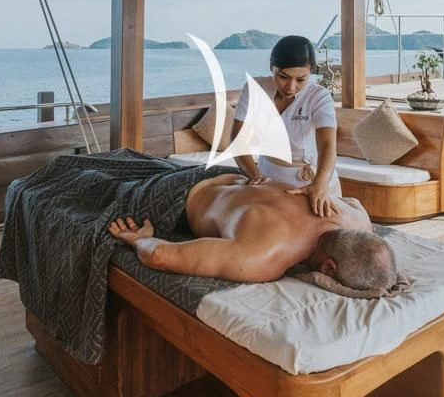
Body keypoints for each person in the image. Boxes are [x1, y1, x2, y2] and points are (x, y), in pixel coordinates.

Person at [107, 173, 397, 291]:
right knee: (99, 183)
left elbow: (353, 200)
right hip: (179, 196)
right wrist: (141, 238)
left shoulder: (357, 218)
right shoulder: (266, 255)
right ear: (328, 268)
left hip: (234, 177)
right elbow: (159, 254)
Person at [232, 35, 340, 217]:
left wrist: (320, 185)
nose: (290, 86)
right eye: (283, 77)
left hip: (311, 179)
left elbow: (328, 146)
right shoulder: (255, 89)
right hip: (268, 177)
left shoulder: (319, 97)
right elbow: (238, 140)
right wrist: (255, 175)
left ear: (311, 72)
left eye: (301, 80)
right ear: (271, 68)